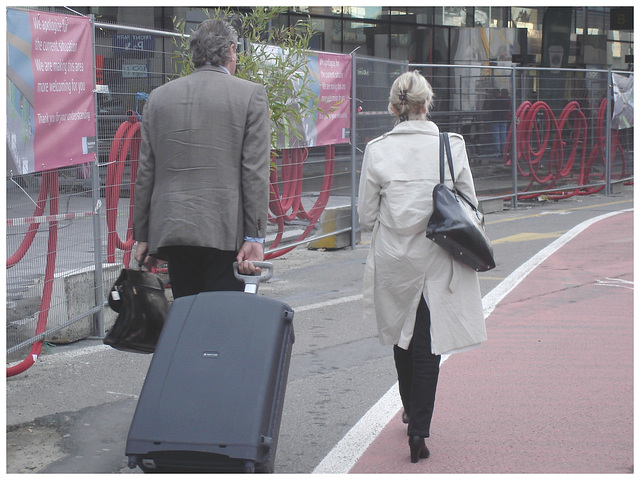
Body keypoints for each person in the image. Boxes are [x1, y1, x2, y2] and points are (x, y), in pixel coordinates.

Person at [357, 71, 487, 463]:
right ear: (426, 103)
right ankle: (419, 430)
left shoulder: (377, 150)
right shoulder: (451, 145)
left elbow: (366, 215)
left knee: (402, 333)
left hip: (395, 258)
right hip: (438, 256)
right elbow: (470, 203)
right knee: (428, 344)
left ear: (393, 107)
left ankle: (409, 406)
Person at [133, 18, 270, 298]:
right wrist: (254, 237)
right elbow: (254, 172)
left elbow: (146, 171)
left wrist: (143, 235)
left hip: (172, 229)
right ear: (232, 50)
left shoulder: (158, 98)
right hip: (224, 230)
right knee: (221, 319)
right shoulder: (250, 95)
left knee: (186, 312)